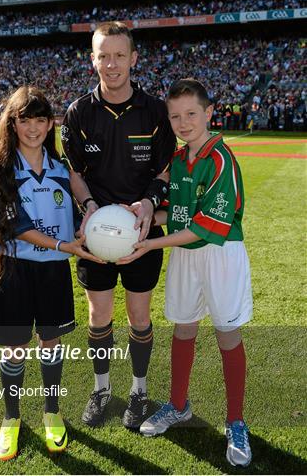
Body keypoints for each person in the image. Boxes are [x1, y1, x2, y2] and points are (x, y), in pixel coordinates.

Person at [118, 78, 253, 467]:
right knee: (183, 327)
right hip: (184, 252)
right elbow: (175, 215)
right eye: (175, 116)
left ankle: (236, 421)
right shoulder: (178, 160)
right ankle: (178, 405)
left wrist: (148, 244)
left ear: (209, 113)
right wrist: (140, 220)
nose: (183, 122)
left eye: (191, 113)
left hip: (219, 253)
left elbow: (204, 227)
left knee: (227, 332)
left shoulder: (221, 160)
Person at [61, 21, 176, 429]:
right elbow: (75, 173)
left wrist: (148, 202)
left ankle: (140, 390)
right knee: (98, 316)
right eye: (103, 55)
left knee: (140, 318)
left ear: (133, 58)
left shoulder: (155, 110)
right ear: (93, 59)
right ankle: (102, 389)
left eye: (119, 55)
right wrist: (89, 204)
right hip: (95, 233)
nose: (111, 64)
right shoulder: (78, 112)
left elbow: (166, 168)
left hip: (142, 233)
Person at [0, 86, 102, 460]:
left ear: (51, 124)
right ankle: (12, 418)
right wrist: (65, 246)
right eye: (24, 120)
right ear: (12, 123)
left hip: (52, 272)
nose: (33, 128)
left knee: (51, 344)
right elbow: (13, 224)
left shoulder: (60, 167)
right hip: (14, 268)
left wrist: (86, 226)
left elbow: (77, 210)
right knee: (15, 348)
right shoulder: (0, 167)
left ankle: (51, 412)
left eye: (40, 120)